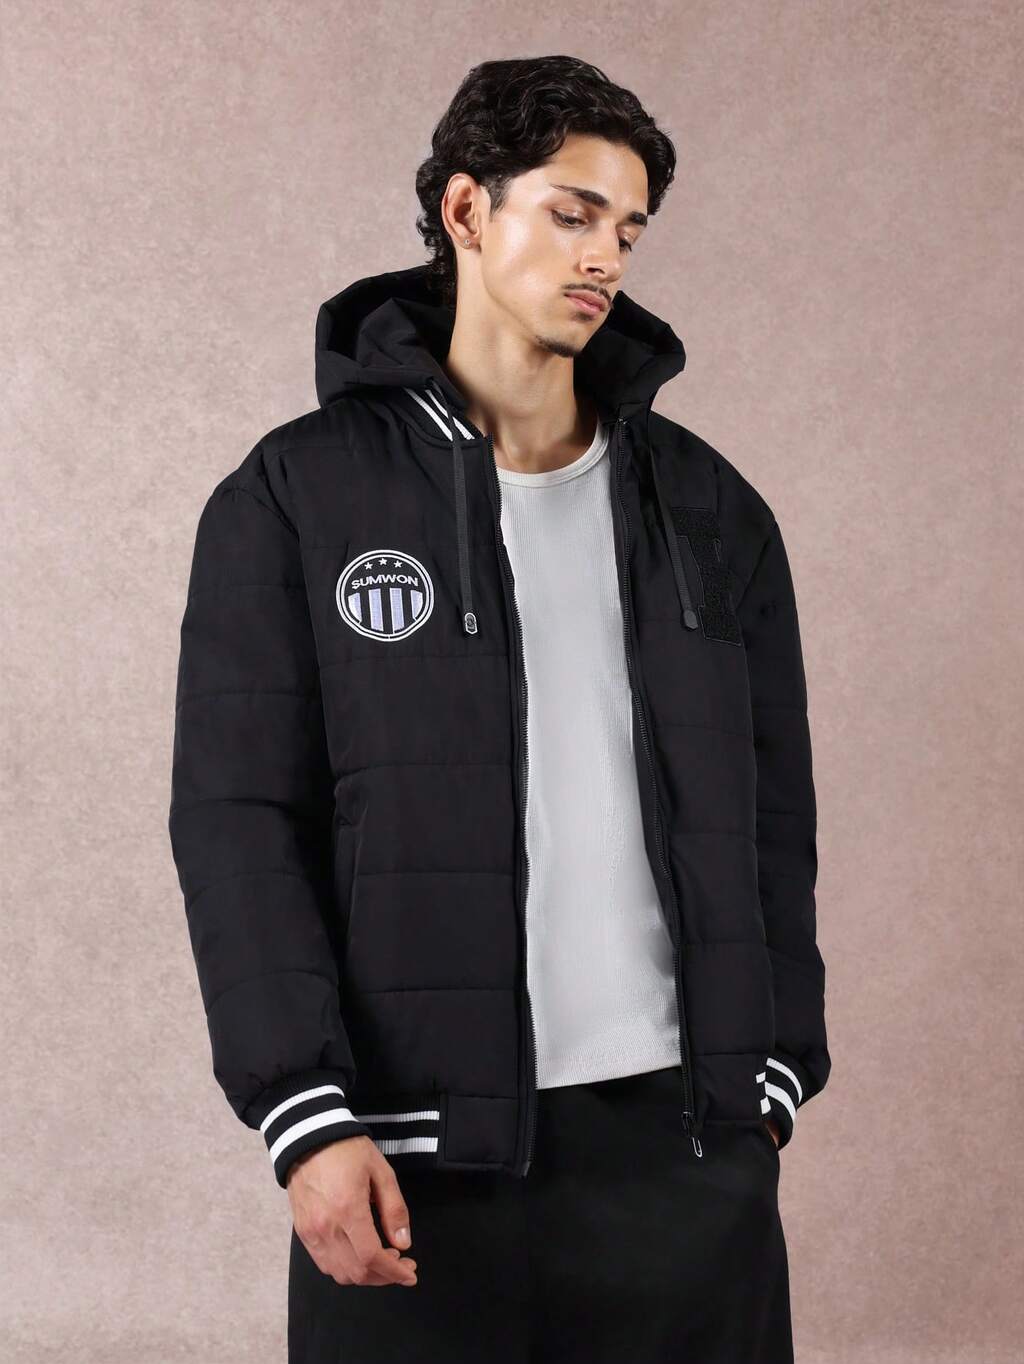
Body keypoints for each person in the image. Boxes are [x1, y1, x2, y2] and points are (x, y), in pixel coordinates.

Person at [168, 54, 830, 1364]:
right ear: (467, 210)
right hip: (412, 1161)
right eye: (573, 212)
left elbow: (777, 820)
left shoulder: (710, 510)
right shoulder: (296, 499)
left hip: (687, 1153)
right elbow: (238, 824)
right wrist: (305, 1116)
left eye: (628, 228)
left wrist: (774, 1078)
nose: (605, 256)